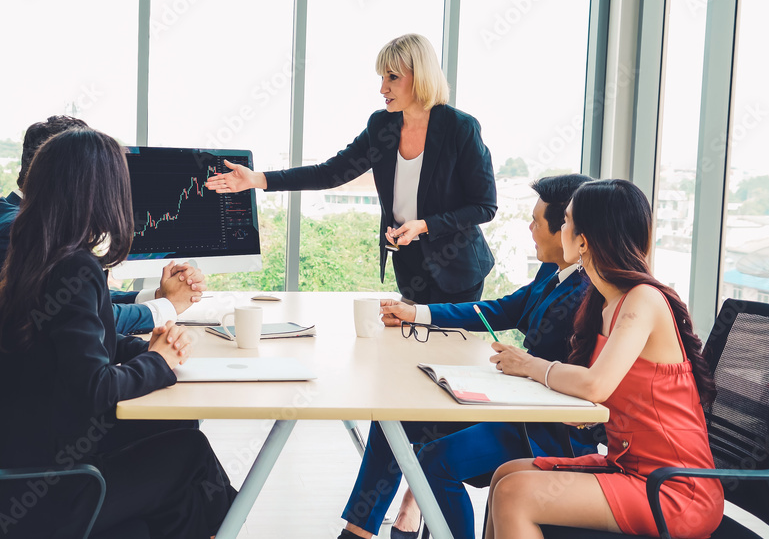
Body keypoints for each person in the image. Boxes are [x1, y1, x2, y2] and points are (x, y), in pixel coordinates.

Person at [0, 127, 235, 538]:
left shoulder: (36, 254)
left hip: (15, 471)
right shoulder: (73, 267)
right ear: (99, 193)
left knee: (177, 432)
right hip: (44, 489)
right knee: (189, 452)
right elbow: (94, 387)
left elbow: (72, 345)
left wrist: (149, 349)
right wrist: (158, 362)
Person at [336, 174, 596, 539]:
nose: (530, 227)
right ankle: (358, 532)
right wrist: (418, 313)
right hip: (516, 407)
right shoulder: (553, 271)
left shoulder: (587, 293)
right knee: (393, 418)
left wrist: (524, 366)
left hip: (542, 430)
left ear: (566, 231)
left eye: (537, 221)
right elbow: (501, 309)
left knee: (436, 462)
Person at [484, 179, 723, 539]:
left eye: (565, 221)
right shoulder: (603, 301)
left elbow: (596, 383)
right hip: (627, 466)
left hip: (674, 488)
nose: (560, 228)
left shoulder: (643, 299)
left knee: (514, 495)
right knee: (506, 474)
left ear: (582, 240)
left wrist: (530, 365)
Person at [205, 33, 496, 304]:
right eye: (382, 77)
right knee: (412, 352)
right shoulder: (382, 125)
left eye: (392, 77)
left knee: (449, 356)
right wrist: (257, 179)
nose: (383, 88)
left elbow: (484, 206)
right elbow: (330, 173)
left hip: (458, 271)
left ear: (419, 78)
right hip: (411, 270)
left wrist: (424, 225)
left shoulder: (460, 128)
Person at [0, 115, 206, 387]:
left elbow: (81, 310)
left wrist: (155, 301)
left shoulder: (12, 216)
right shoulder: (20, 233)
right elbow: (87, 323)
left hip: (27, 378)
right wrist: (165, 311)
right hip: (4, 385)